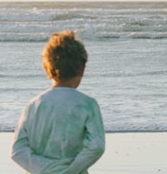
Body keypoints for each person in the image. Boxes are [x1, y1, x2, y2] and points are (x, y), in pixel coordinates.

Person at [12, 31, 105, 174]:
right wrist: (70, 170)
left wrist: (46, 169)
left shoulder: (34, 104)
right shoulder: (88, 104)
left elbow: (18, 151)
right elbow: (96, 146)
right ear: (82, 69)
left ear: (46, 69)